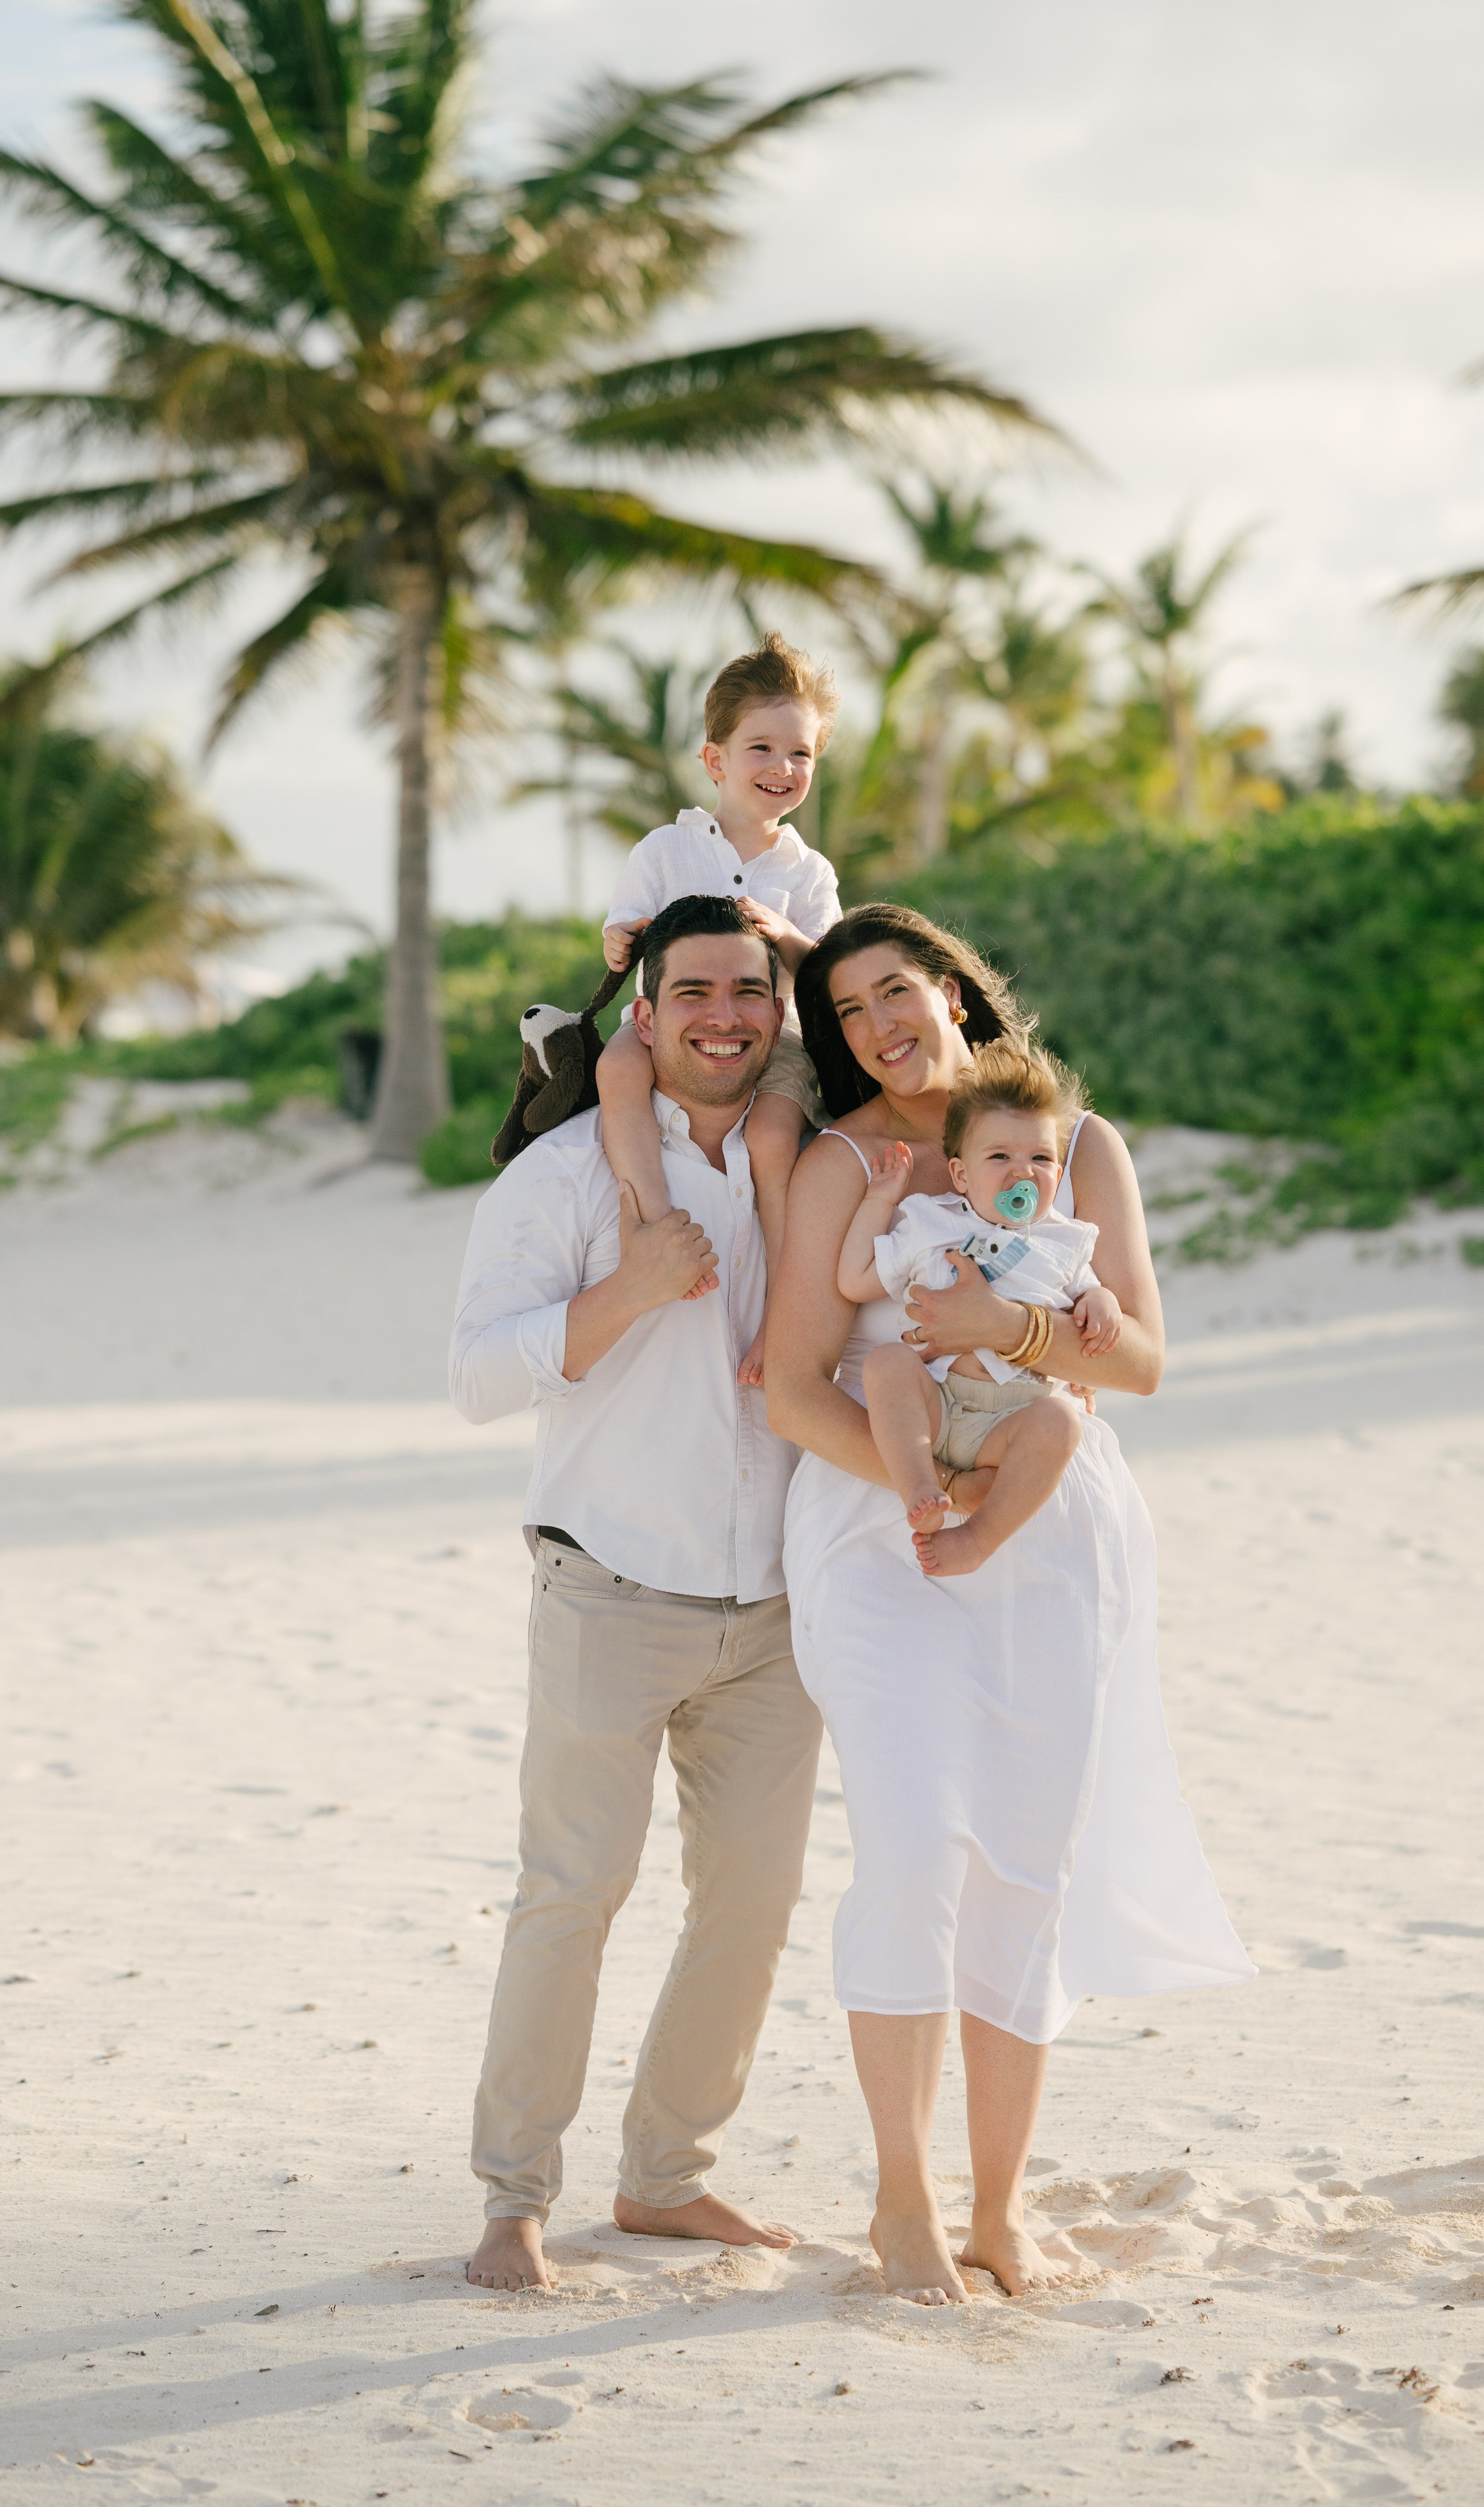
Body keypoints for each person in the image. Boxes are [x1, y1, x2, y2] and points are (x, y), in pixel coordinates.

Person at [767, 901, 1255, 2309]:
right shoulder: (841, 1164)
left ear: (951, 989)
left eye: (895, 992)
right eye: (846, 1012)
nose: (877, 1027)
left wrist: (1017, 1339)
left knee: (1024, 1867)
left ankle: (997, 2207)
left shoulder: (1071, 1139)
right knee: (915, 1848)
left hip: (1050, 1536)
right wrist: (934, 1497)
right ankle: (902, 2202)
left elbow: (1144, 1362)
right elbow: (797, 1381)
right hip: (883, 1524)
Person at [449, 894, 824, 2294]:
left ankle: (666, 2179)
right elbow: (478, 1376)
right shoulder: (563, 1181)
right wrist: (632, 1289)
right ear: (647, 1014)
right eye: (693, 996)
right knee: (571, 1896)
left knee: (751, 1904)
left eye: (748, 992)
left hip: (775, 1612)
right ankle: (512, 2198)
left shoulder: (810, 1162)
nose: (723, 1017)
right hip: (607, 1592)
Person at [596, 632, 842, 1386]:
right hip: (670, 1032)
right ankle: (651, 1217)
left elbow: (832, 973)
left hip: (778, 1038)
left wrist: (790, 939)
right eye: (760, 748)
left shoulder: (807, 870)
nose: (781, 769)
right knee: (615, 1068)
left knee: (772, 1136)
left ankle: (782, 1310)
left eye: (799, 754)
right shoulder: (666, 849)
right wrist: (618, 939)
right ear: (715, 760)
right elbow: (626, 929)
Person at [837, 1037, 1124, 1575]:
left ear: (1058, 1176)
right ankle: (921, 1482)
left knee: (1062, 1422)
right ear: (961, 1174)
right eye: (1000, 1157)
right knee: (888, 1365)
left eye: (1041, 1158)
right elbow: (854, 1280)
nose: (1023, 1172)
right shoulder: (930, 1220)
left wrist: (1102, 1302)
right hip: (940, 1404)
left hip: (1015, 1418)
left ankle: (977, 1540)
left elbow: (1091, 1291)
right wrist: (880, 1200)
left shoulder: (1062, 1241)